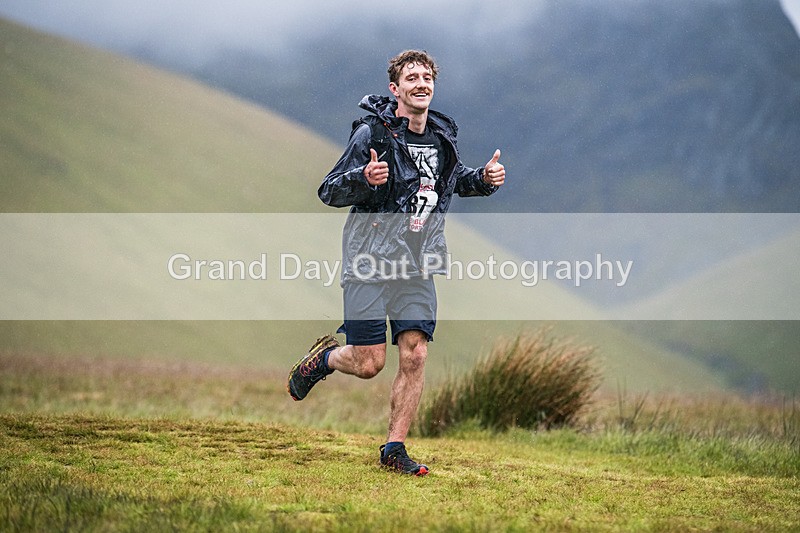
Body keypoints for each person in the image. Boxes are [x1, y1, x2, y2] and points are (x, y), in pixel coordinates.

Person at [287, 50, 505, 476]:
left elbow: (451, 180)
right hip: (369, 258)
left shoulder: (441, 136)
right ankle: (324, 360)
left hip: (417, 262)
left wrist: (483, 179)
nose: (421, 84)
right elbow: (328, 189)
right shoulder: (373, 133)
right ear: (396, 88)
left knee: (416, 353)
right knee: (369, 363)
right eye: (412, 78)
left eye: (427, 77)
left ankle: (394, 449)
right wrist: (362, 179)